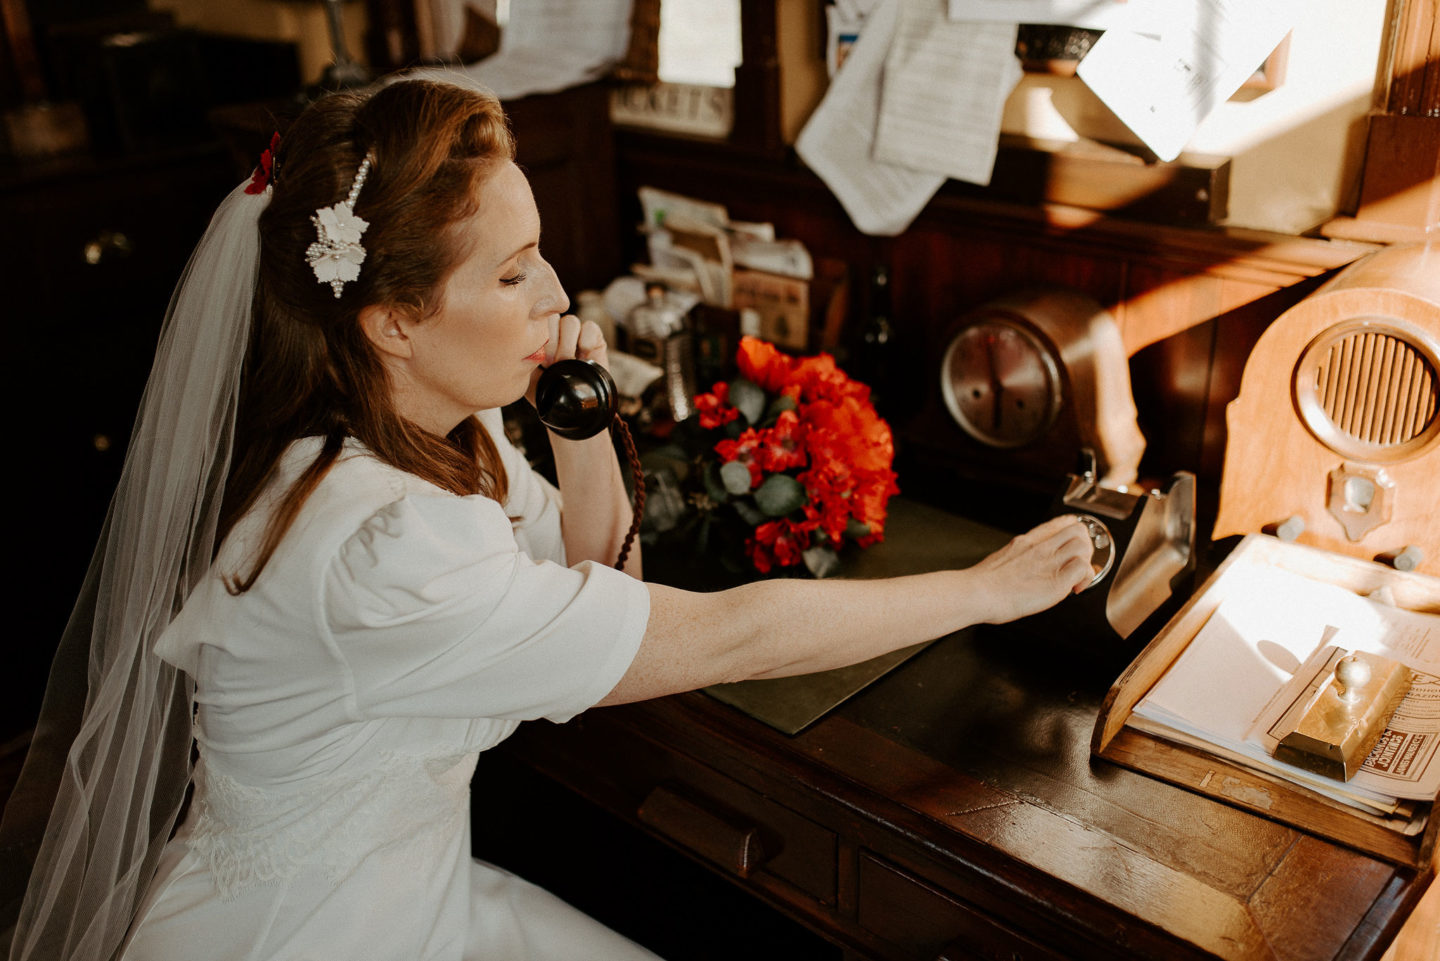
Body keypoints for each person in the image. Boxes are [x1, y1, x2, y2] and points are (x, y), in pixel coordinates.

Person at [0, 79, 1094, 961]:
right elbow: (725, 635)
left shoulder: (431, 431)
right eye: (517, 273)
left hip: (408, 891)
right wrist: (983, 589)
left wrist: (577, 433)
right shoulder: (379, 549)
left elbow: (600, 580)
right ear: (392, 325)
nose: (558, 297)